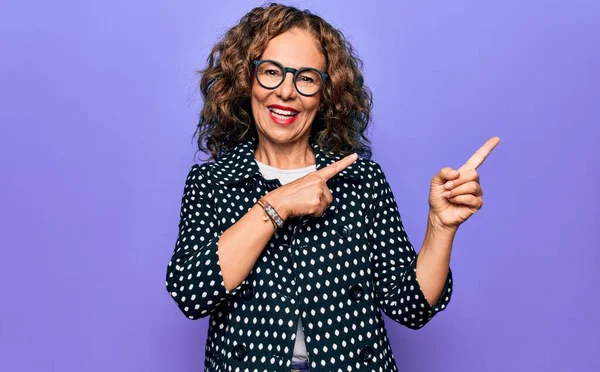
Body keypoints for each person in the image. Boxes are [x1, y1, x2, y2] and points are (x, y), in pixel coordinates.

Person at [165, 3, 499, 372]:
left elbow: (411, 308)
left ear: (326, 94)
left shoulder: (362, 180)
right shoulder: (212, 182)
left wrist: (441, 227)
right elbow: (191, 293)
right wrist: (277, 205)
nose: (286, 92)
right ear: (247, 80)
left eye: (306, 78)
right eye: (272, 72)